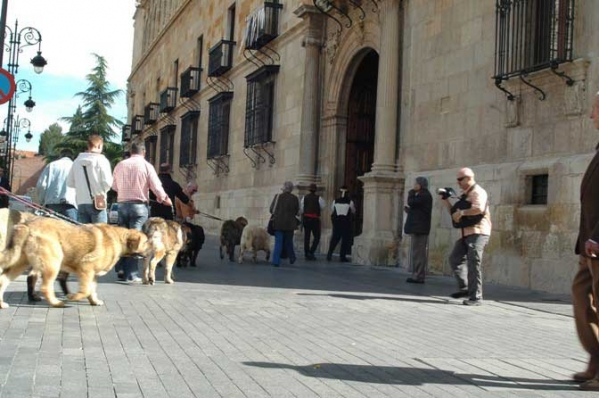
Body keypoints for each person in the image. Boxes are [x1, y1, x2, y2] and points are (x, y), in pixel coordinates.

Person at [112, 141, 172, 282]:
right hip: (139, 207)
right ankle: (131, 273)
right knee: (136, 239)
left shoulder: (120, 165)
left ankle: (120, 268)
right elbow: (156, 186)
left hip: (122, 205)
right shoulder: (147, 166)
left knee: (123, 238)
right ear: (144, 152)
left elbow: (114, 186)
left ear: (131, 151)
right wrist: (164, 199)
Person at [571, 91, 599, 391]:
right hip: (588, 244)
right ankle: (595, 357)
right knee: (581, 296)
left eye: (596, 110)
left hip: (597, 242)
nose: (592, 116)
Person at [439, 167, 491, 306]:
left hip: (478, 232)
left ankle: (476, 297)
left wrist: (461, 213)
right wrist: (445, 200)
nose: (458, 182)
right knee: (455, 259)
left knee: (474, 264)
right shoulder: (464, 194)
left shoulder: (477, 191)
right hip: (465, 233)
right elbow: (454, 213)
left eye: (460, 179)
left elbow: (478, 208)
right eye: (457, 179)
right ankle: (466, 288)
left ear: (469, 178)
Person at [67, 134, 113, 223]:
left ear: (88, 146)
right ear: (100, 145)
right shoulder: (102, 161)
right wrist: (101, 191)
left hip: (81, 202)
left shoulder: (76, 161)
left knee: (84, 235)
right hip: (97, 202)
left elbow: (69, 183)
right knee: (100, 235)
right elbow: (108, 183)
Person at [404, 176, 433, 283]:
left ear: (420, 185)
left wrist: (411, 192)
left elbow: (412, 202)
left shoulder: (424, 195)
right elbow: (418, 210)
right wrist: (409, 211)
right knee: (416, 252)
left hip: (420, 229)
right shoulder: (422, 195)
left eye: (415, 183)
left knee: (419, 253)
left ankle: (419, 276)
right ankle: (416, 275)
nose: (414, 186)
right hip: (418, 227)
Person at [35, 149, 78, 221]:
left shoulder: (51, 166)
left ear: (60, 156)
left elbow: (41, 186)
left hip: (52, 205)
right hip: (70, 207)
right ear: (72, 157)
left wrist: (42, 201)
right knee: (70, 231)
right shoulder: (76, 168)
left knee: (50, 231)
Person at [269, 181, 299, 267]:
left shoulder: (277, 197)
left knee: (278, 242)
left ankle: (276, 261)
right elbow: (297, 212)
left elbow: (271, 209)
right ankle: (292, 258)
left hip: (278, 223)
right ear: (291, 189)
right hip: (290, 224)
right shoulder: (295, 198)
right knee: (289, 242)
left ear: (284, 188)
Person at [327, 186, 355, 263]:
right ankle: (342, 256)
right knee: (345, 240)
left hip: (337, 222)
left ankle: (329, 253)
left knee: (334, 239)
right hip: (346, 222)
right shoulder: (350, 202)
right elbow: (353, 211)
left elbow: (332, 209)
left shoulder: (335, 201)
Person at [300, 183, 325, 260]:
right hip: (314, 219)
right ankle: (311, 252)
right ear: (315, 190)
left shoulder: (304, 197)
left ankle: (306, 253)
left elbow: (302, 209)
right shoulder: (319, 198)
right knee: (317, 237)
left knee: (307, 237)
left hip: (306, 219)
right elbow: (322, 207)